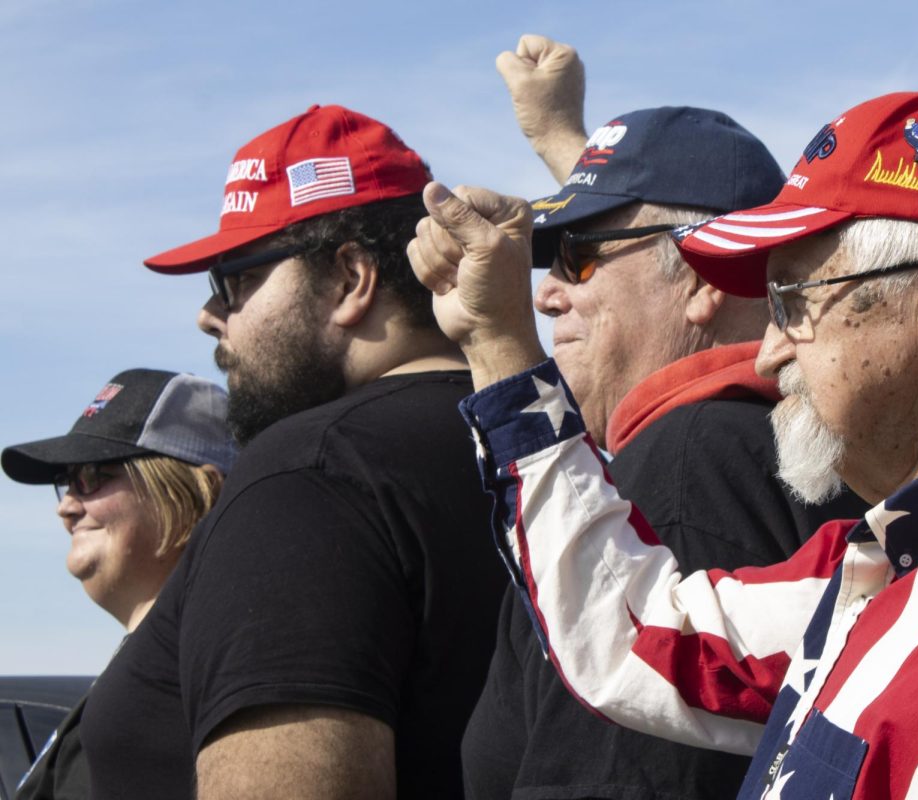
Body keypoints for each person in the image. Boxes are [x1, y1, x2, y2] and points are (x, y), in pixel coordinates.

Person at [409, 85, 918, 798]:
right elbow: (632, 635)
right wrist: (496, 341)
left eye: (794, 302)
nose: (768, 351)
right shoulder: (911, 550)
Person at [460, 36, 867, 800]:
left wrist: (498, 347)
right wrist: (563, 143)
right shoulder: (778, 442)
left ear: (708, 277)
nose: (547, 294)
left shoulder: (687, 465)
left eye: (576, 259)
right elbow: (654, 246)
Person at [76, 105, 507, 799]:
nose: (210, 315)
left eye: (235, 279)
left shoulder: (311, 473)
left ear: (350, 278)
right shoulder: (543, 447)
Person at [2, 368, 236, 800]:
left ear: (199, 492)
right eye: (65, 482)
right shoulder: (148, 677)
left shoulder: (214, 671)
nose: (67, 508)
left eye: (90, 477)